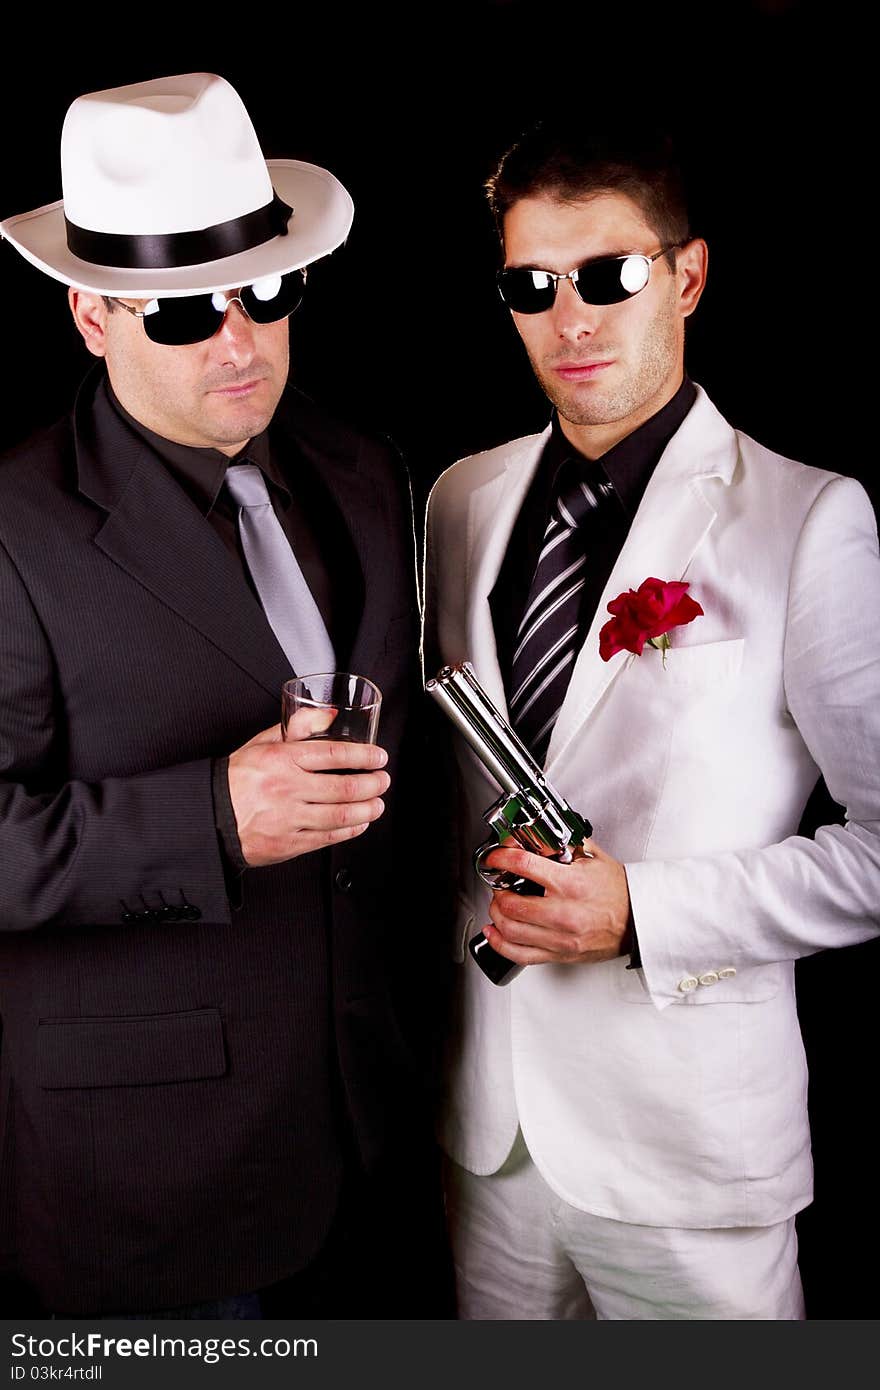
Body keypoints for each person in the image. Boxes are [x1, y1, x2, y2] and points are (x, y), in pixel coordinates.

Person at [0, 71, 450, 1318]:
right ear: (92, 314)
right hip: (150, 1181)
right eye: (187, 313)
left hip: (371, 1130)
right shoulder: (12, 526)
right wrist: (209, 818)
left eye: (265, 290)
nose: (242, 340)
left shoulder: (362, 470)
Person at [422, 120, 880, 1320]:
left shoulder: (807, 519)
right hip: (490, 1131)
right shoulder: (458, 500)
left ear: (686, 276)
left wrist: (644, 912)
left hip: (693, 1153)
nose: (570, 319)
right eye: (532, 285)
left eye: (608, 276)